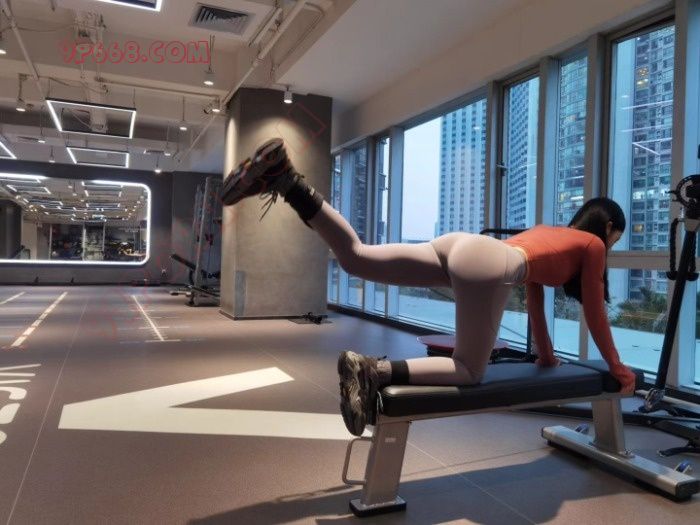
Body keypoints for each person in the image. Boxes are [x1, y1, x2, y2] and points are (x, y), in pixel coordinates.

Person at [222, 138, 638, 437]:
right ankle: (372, 370)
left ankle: (289, 182)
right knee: (469, 371)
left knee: (355, 256)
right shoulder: (592, 245)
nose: (612, 246)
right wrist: (618, 368)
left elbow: (534, 298)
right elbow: (595, 314)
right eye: (615, 238)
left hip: (459, 245)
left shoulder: (550, 232)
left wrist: (546, 358)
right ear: (607, 227)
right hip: (487, 263)